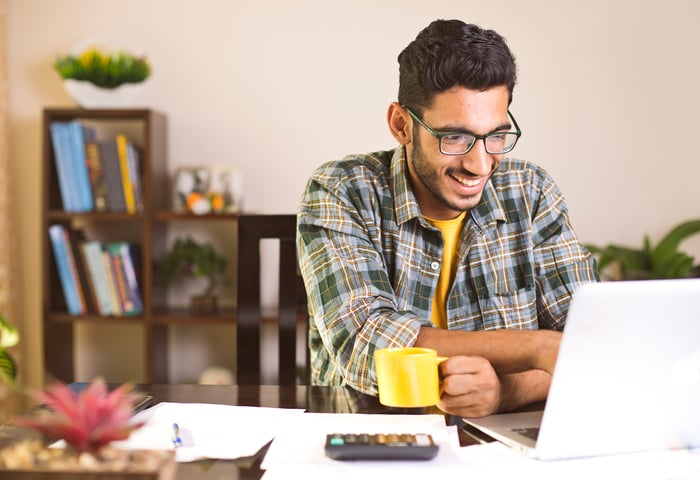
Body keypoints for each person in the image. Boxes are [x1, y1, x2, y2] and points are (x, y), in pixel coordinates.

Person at [296, 19, 598, 418]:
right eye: (454, 137)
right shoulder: (342, 189)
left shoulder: (532, 192)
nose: (479, 164)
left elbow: (590, 348)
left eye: (495, 136)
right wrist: (535, 348)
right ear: (401, 125)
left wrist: (507, 391)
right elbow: (366, 346)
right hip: (371, 440)